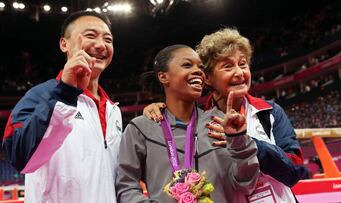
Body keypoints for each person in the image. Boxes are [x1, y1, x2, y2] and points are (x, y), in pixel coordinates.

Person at [144, 28, 309, 202]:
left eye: (243, 64)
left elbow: (294, 172)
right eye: (228, 66)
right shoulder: (197, 120)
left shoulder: (269, 112)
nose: (239, 73)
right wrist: (158, 110)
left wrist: (249, 144)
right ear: (207, 78)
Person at [2, 11, 122, 203]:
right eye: (91, 36)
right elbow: (20, 158)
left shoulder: (112, 109)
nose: (101, 45)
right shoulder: (38, 96)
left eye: (108, 39)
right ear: (64, 44)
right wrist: (64, 93)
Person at [115, 45, 260, 202]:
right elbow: (126, 187)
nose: (198, 71)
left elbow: (246, 184)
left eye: (201, 67)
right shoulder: (141, 128)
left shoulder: (219, 122)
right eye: (187, 65)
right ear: (163, 77)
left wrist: (239, 140)